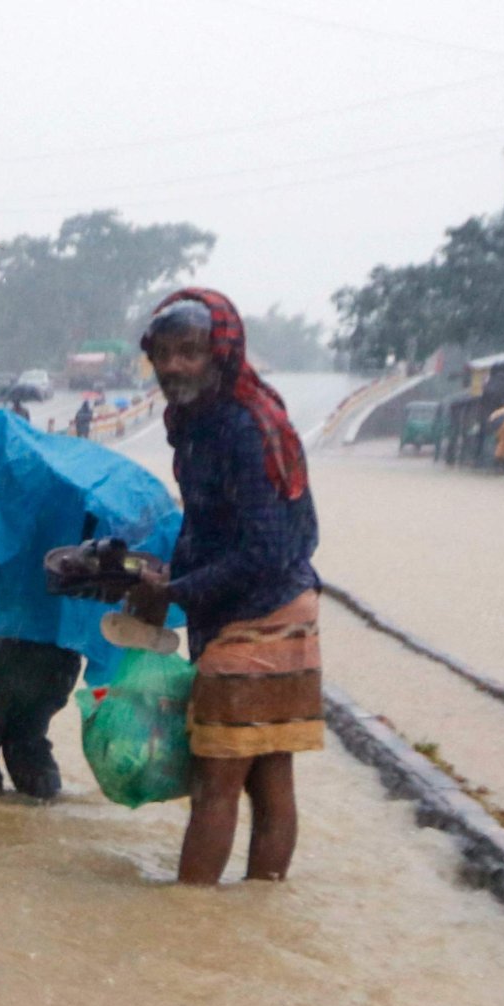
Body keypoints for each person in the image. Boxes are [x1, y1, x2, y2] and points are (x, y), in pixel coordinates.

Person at [0, 366, 180, 799]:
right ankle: (29, 838)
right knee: (25, 742)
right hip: (52, 632)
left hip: (12, 635)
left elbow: (65, 487)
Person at [124, 289, 321, 885]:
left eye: (191, 351)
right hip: (271, 609)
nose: (175, 366)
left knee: (216, 782)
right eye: (164, 353)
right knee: (267, 773)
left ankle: (190, 918)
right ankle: (258, 908)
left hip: (260, 616)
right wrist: (165, 572)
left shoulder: (244, 427)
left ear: (221, 354)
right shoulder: (193, 423)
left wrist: (175, 592)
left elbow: (263, 550)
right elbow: (207, 523)